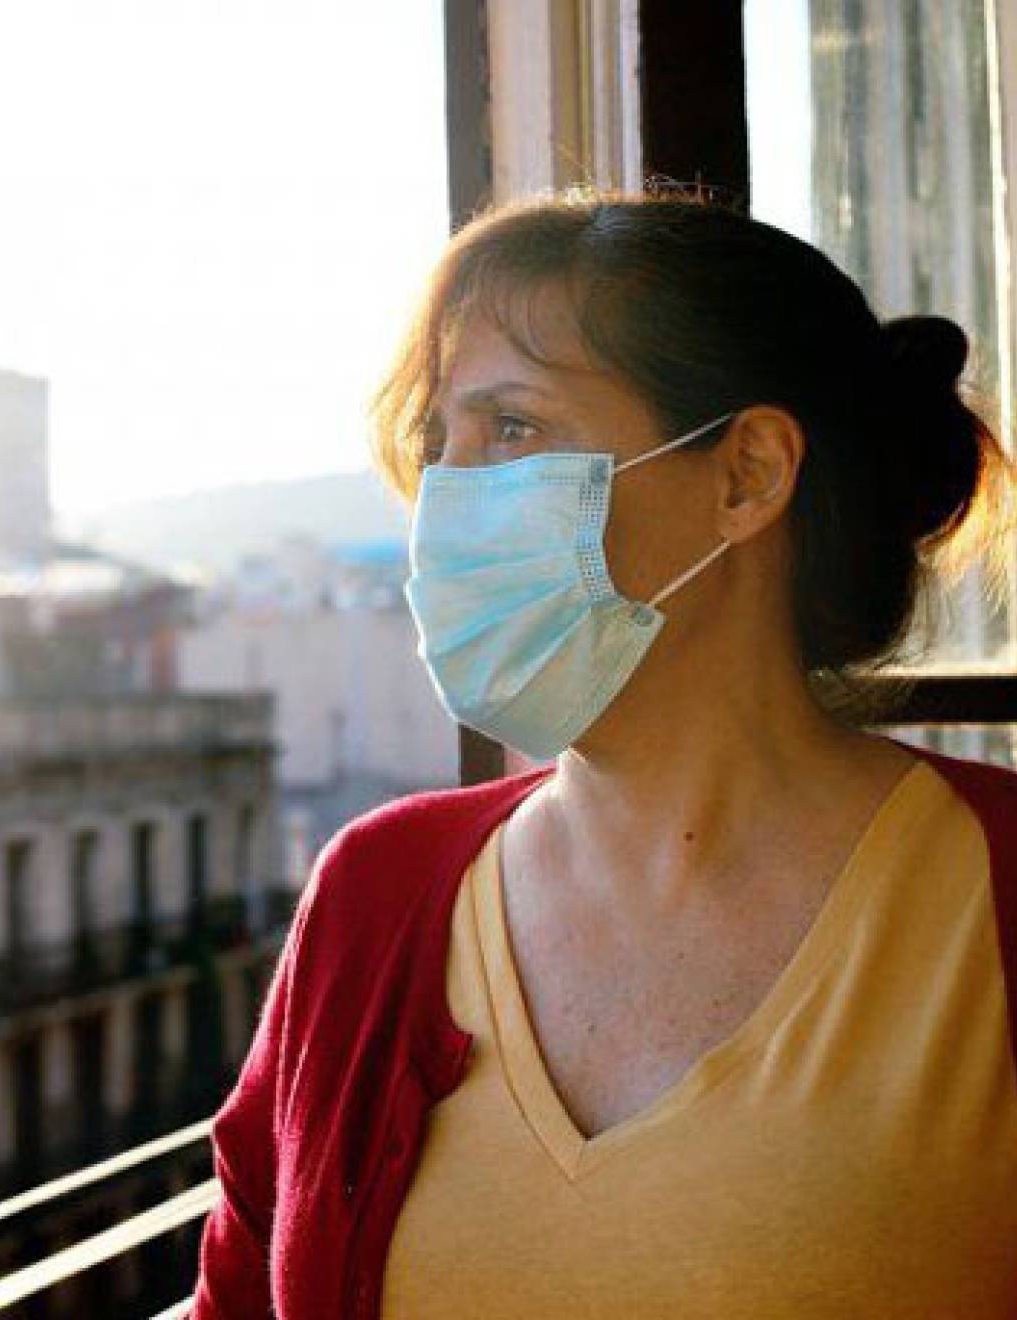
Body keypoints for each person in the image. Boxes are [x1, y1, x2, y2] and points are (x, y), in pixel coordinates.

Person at [190, 188, 1017, 1319]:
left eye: (512, 429)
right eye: (439, 446)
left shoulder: (994, 888)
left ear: (747, 475)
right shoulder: (375, 893)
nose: (448, 499)